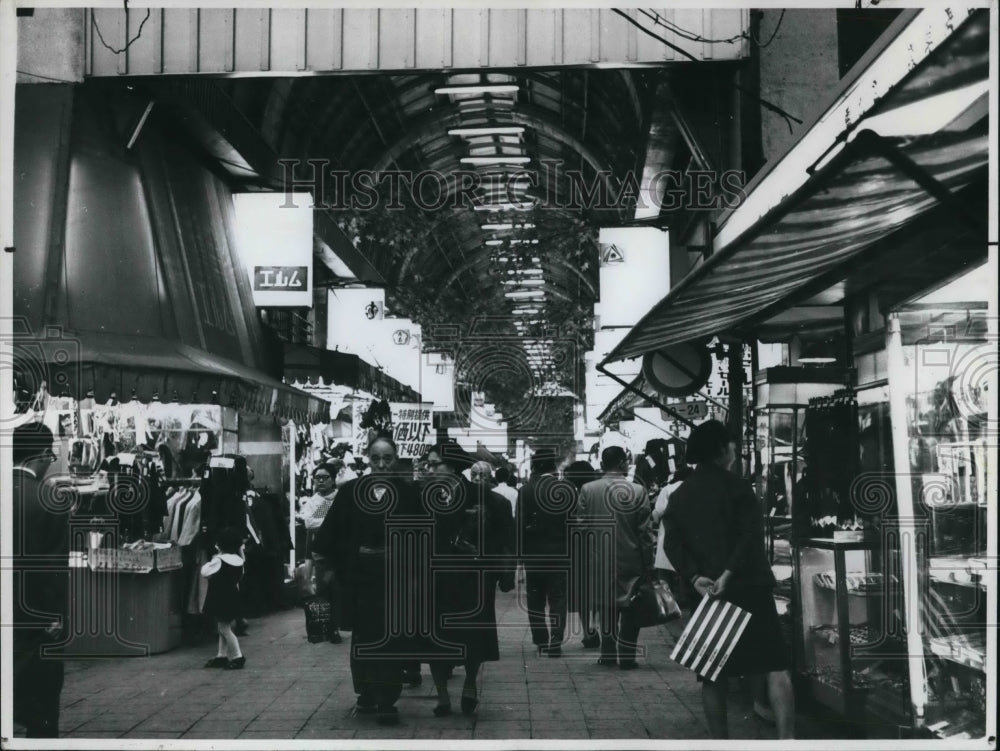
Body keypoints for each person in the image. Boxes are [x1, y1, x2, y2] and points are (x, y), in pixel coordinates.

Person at [663, 420, 795, 739]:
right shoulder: (738, 486)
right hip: (749, 587)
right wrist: (729, 572)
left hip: (710, 594)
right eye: (732, 445)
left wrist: (695, 577)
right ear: (722, 449)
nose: (735, 450)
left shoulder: (681, 494)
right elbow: (749, 535)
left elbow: (672, 542)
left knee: (712, 674)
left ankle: (721, 742)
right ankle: (787, 739)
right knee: (775, 663)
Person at [313, 433, 423, 726]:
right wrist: (329, 567)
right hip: (359, 576)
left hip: (396, 577)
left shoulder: (409, 493)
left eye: (387, 458)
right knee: (363, 635)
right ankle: (366, 691)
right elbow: (331, 533)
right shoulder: (350, 491)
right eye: (376, 458)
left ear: (395, 460)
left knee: (391, 637)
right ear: (367, 459)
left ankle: (387, 699)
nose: (382, 464)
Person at [422, 442, 515, 716]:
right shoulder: (424, 498)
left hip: (473, 579)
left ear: (451, 467)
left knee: (473, 638)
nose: (430, 469)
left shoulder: (488, 498)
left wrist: (504, 571)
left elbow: (505, 539)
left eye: (435, 463)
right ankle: (442, 695)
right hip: (435, 579)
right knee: (435, 638)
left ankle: (471, 683)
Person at [11, 422, 69, 737]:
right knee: (42, 703)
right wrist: (54, 616)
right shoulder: (49, 500)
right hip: (33, 619)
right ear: (44, 455)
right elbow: (54, 566)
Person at [576, 446, 654, 670]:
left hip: (598, 560)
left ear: (602, 464)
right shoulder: (638, 491)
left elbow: (580, 528)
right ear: (621, 463)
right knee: (630, 610)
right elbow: (645, 533)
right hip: (631, 560)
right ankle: (627, 657)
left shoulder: (588, 490)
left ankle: (607, 653)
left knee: (606, 608)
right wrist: (648, 564)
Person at [517, 449, 576, 656]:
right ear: (553, 466)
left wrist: (520, 555)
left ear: (533, 466)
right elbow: (573, 523)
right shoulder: (567, 488)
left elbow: (520, 525)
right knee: (558, 598)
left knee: (535, 599)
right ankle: (556, 640)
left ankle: (541, 639)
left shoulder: (525, 490)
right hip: (561, 553)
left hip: (533, 556)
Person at [299, 463, 344, 643]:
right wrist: (331, 518)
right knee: (324, 590)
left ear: (333, 479)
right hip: (321, 553)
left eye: (325, 477)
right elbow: (309, 524)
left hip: (341, 552)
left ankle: (336, 627)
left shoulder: (341, 498)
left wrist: (326, 521)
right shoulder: (312, 501)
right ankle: (329, 628)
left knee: (338, 590)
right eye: (318, 478)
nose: (321, 481)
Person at [563, 460, 601, 647]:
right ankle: (598, 629)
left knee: (584, 592)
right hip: (601, 547)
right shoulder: (598, 492)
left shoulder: (570, 496)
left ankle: (589, 631)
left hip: (579, 550)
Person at [201, 526, 247, 670]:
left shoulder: (219, 560)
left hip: (219, 597)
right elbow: (239, 577)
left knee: (224, 628)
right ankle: (221, 655)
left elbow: (204, 572)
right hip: (233, 596)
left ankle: (237, 656)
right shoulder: (240, 560)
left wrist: (213, 559)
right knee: (224, 626)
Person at [650, 464, 693, 602]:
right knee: (685, 568)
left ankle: (666, 601)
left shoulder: (667, 489)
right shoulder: (694, 488)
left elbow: (658, 513)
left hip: (668, 534)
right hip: (689, 535)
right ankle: (684, 598)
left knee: (665, 571)